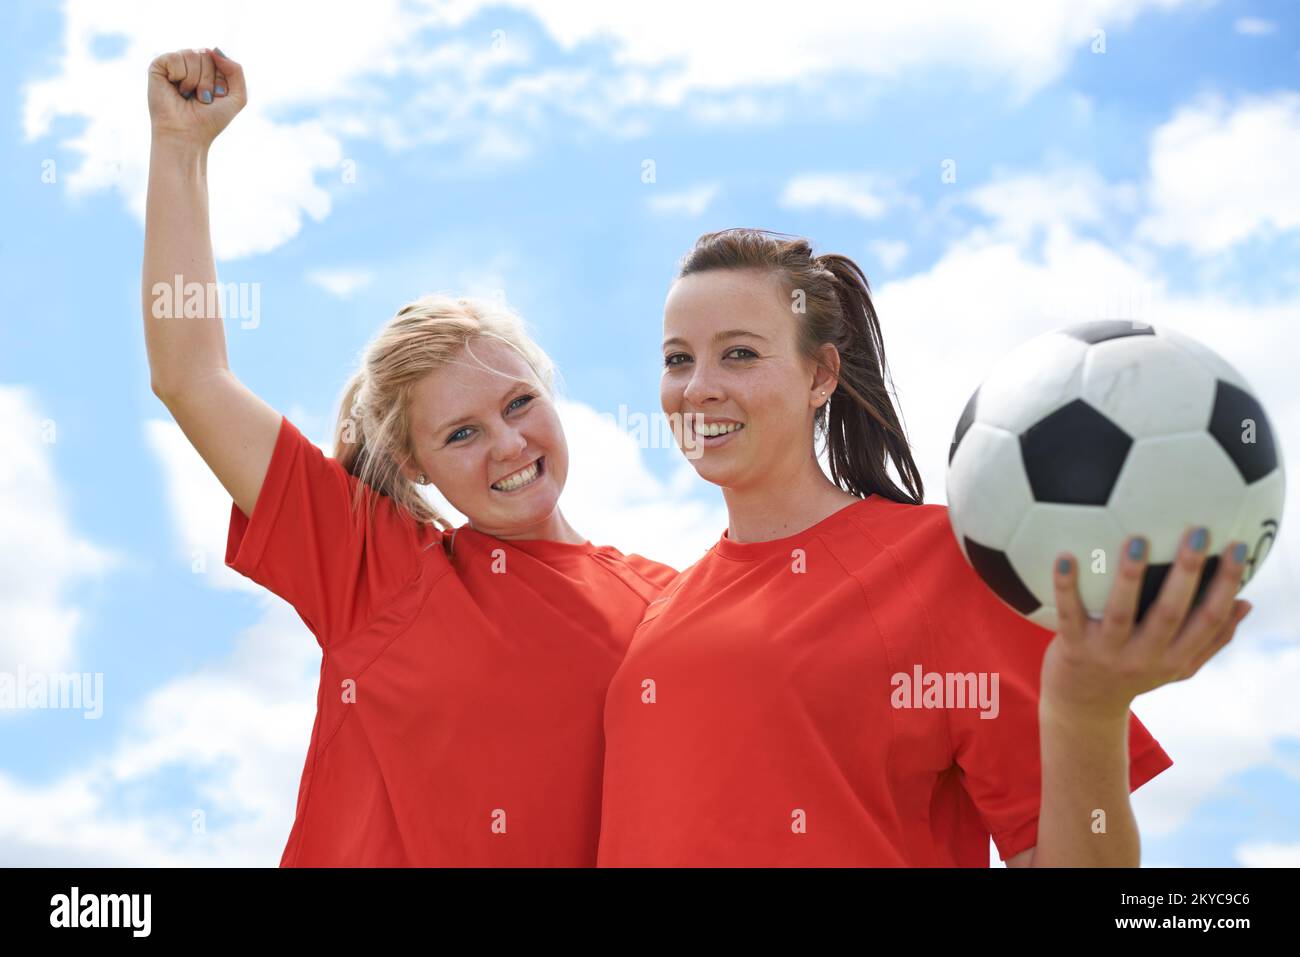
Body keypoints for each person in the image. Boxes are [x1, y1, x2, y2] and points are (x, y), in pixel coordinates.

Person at [142, 47, 675, 866]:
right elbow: (190, 377)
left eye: (518, 403)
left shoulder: (671, 601)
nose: (507, 443)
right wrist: (182, 150)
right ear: (417, 465)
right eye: (460, 433)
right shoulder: (384, 573)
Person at [597, 228, 1254, 867]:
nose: (698, 386)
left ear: (821, 375)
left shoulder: (944, 561)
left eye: (739, 353)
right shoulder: (659, 614)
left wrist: (1087, 711)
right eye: (678, 357)